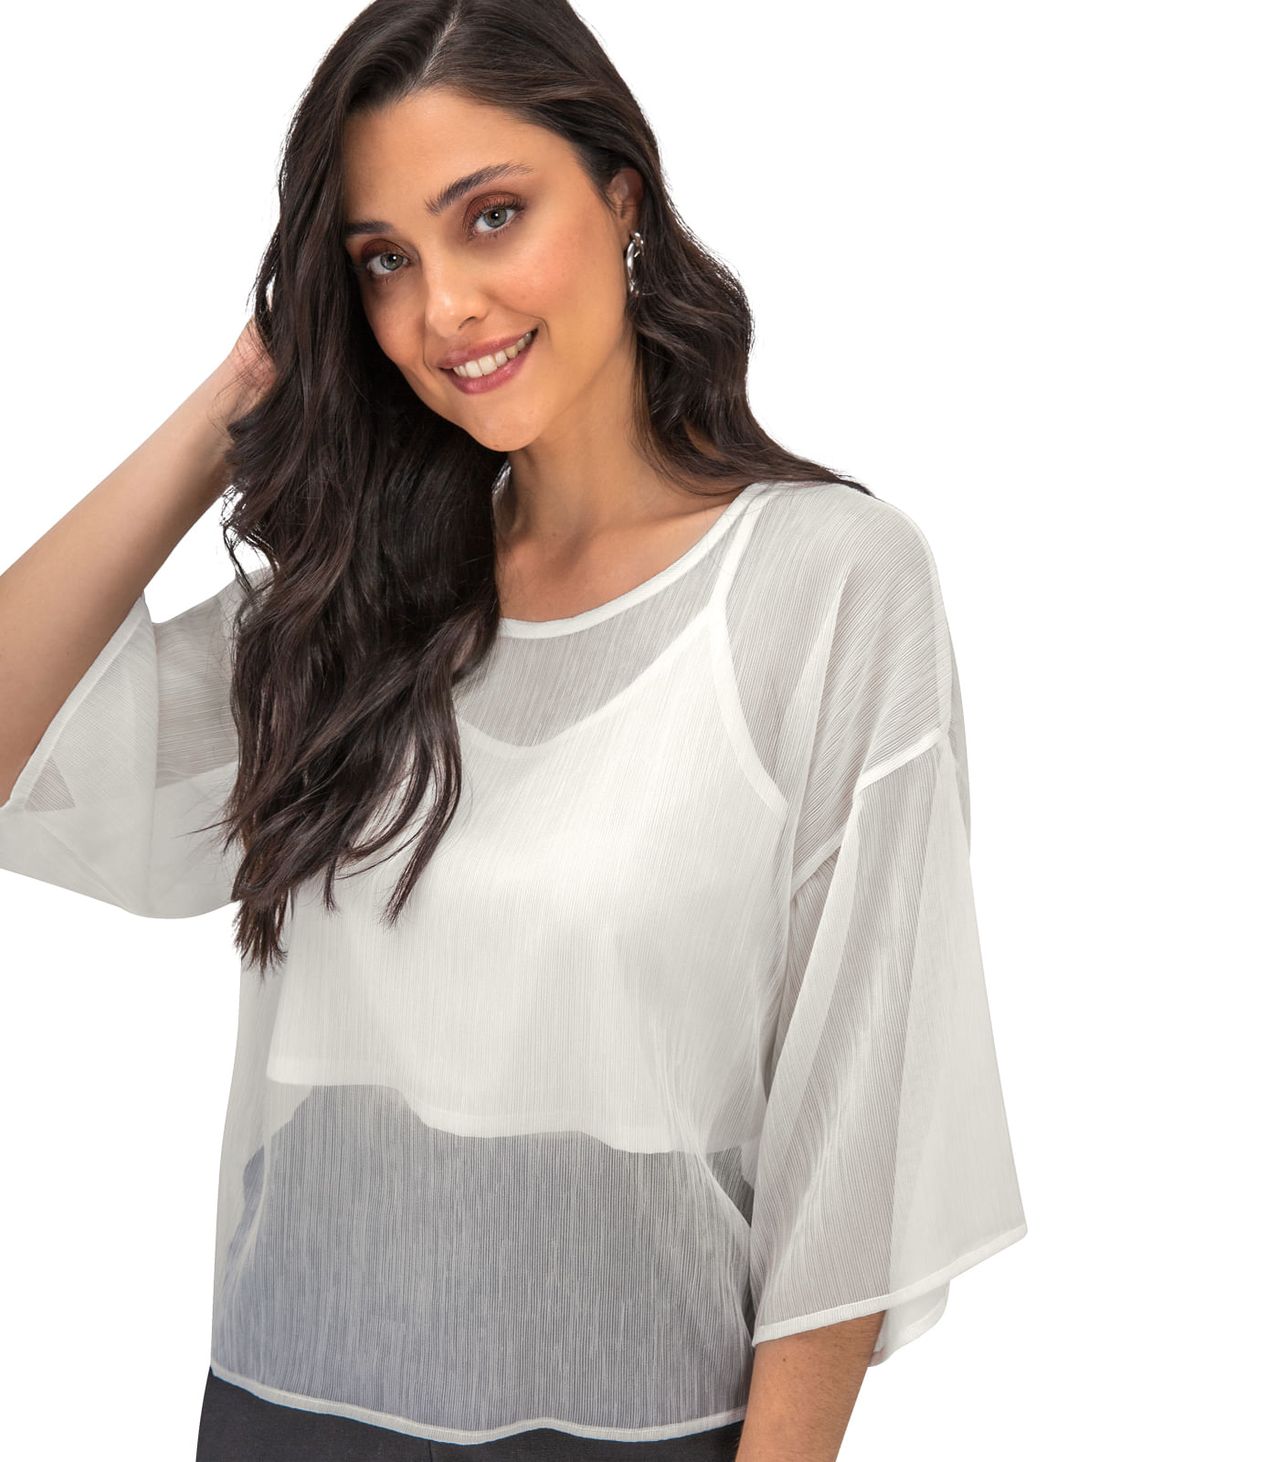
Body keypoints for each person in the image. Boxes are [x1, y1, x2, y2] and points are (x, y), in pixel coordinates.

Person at [0, 1, 1028, 1457]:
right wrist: (241, 394)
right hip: (287, 1407)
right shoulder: (358, 597)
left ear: (622, 196)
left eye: (492, 216)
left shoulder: (825, 584)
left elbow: (854, 1142)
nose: (445, 310)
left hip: (635, 1423)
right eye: (384, 260)